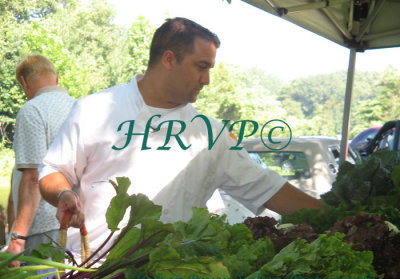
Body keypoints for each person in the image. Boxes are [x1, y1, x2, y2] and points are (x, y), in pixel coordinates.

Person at [38, 17, 322, 259]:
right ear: (169, 59)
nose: (207, 80)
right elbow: (52, 171)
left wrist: (343, 216)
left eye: (209, 68)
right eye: (202, 66)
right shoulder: (94, 109)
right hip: (91, 273)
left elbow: (267, 187)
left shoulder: (211, 135)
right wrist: (63, 193)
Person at [5, 54, 75, 267]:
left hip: (41, 228)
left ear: (24, 82)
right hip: (75, 221)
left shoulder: (32, 110)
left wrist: (17, 239)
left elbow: (33, 177)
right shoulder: (79, 107)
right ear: (57, 78)